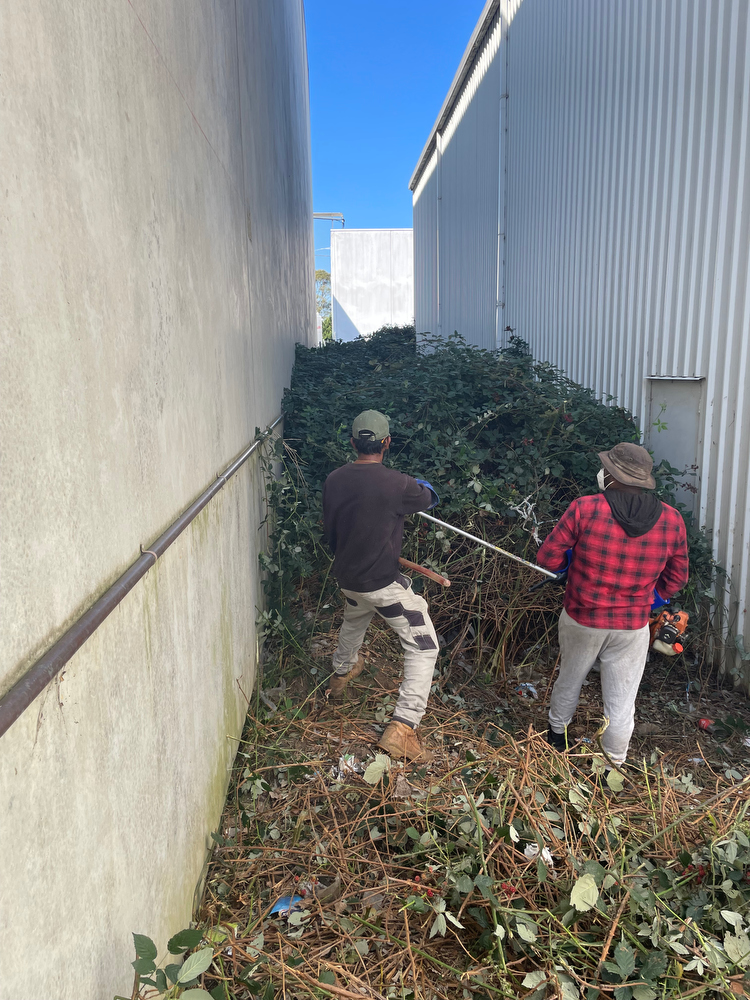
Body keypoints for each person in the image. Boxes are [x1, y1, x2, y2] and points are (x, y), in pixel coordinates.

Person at [536, 442, 689, 765]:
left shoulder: (585, 508)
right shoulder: (672, 519)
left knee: (570, 679)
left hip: (581, 617)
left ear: (612, 475)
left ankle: (556, 741)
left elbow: (547, 557)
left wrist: (566, 565)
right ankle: (612, 767)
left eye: (605, 468)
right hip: (632, 626)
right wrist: (652, 599)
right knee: (621, 702)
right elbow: (677, 578)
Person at [322, 409, 439, 762]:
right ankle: (403, 728)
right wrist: (422, 484)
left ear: (352, 442)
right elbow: (428, 497)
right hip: (381, 584)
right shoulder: (397, 484)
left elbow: (331, 532)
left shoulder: (333, 480)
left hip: (348, 578)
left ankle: (341, 674)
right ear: (387, 442)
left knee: (355, 618)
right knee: (424, 645)